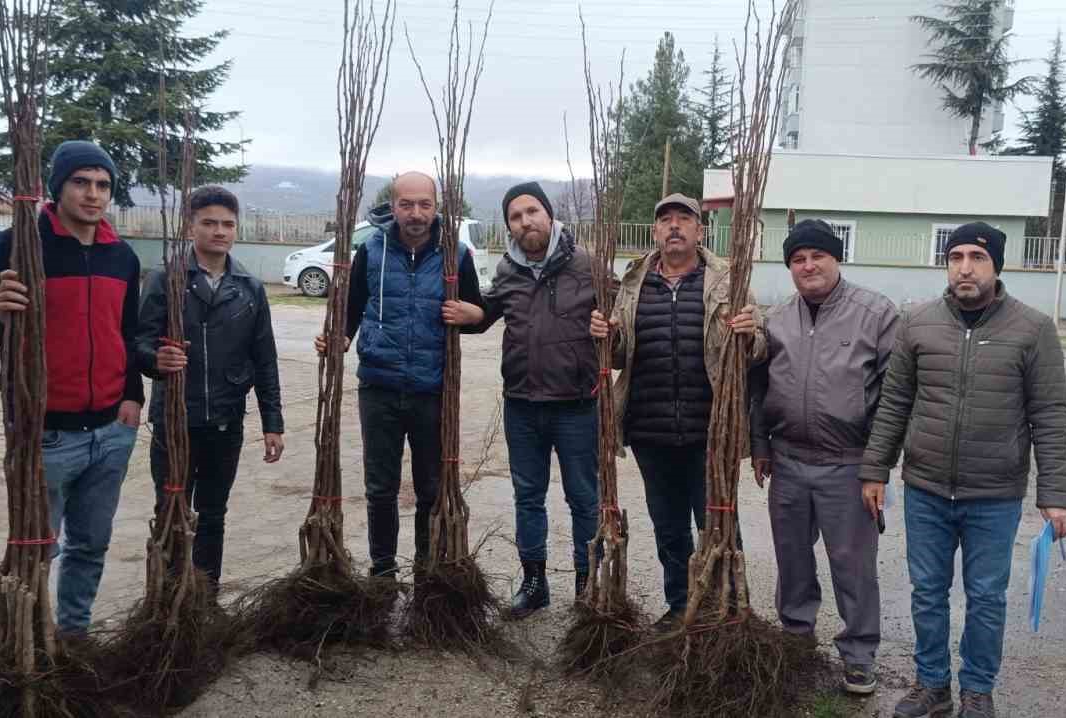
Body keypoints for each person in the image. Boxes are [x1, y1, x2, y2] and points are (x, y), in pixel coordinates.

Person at [867, 222, 1066, 718]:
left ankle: (978, 690)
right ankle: (932, 685)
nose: (965, 267)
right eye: (956, 256)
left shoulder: (1033, 328)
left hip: (994, 495)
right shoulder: (916, 322)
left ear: (995, 265)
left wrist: (1056, 493)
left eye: (977, 258)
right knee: (927, 592)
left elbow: (1049, 413)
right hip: (926, 489)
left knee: (985, 597)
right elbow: (895, 403)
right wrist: (875, 469)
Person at [0, 140, 144, 637]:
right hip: (46, 433)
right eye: (81, 183)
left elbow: (128, 335)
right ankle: (31, 639)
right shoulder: (19, 246)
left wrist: (133, 397)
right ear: (58, 187)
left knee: (91, 545)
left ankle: (74, 637)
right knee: (38, 546)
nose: (93, 194)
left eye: (103, 185)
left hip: (111, 431)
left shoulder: (122, 257)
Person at [588, 193, 760, 628]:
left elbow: (759, 346)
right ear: (655, 232)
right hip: (650, 430)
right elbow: (620, 356)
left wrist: (749, 334)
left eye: (685, 219)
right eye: (666, 220)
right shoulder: (633, 283)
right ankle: (681, 604)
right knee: (668, 527)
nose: (675, 226)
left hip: (710, 430)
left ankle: (725, 606)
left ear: (700, 231)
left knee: (718, 523)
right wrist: (605, 337)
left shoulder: (727, 281)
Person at [749, 219, 898, 697]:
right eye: (797, 258)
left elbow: (896, 397)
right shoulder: (777, 318)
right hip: (789, 461)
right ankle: (796, 639)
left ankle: (858, 655)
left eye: (817, 255)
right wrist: (760, 444)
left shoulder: (875, 314)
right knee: (792, 560)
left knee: (852, 564)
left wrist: (877, 467)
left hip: (848, 464)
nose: (807, 265)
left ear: (837, 258)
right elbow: (759, 386)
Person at [314, 172, 486, 578]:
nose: (416, 213)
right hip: (379, 386)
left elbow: (479, 314)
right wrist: (337, 339)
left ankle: (428, 572)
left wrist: (470, 313)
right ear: (392, 207)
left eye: (424, 204)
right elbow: (351, 313)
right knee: (380, 488)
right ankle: (383, 573)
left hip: (432, 389)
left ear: (436, 207)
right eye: (406, 204)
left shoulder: (455, 255)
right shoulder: (372, 250)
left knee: (430, 490)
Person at [134, 185, 284, 594]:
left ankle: (205, 597)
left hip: (225, 419)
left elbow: (265, 359)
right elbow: (139, 342)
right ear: (191, 225)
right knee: (170, 509)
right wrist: (155, 360)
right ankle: (167, 597)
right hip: (174, 419)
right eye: (210, 223)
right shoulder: (167, 279)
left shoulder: (249, 288)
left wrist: (273, 422)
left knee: (213, 513)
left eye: (228, 224)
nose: (220, 231)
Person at [468, 182, 602, 616]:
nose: (525, 221)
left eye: (532, 212)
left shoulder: (587, 265)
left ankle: (588, 585)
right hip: (522, 405)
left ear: (549, 214)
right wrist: (459, 314)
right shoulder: (507, 270)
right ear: (509, 225)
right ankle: (534, 582)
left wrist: (611, 330)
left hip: (576, 405)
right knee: (528, 496)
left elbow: (623, 315)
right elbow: (485, 313)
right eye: (515, 216)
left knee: (584, 497)